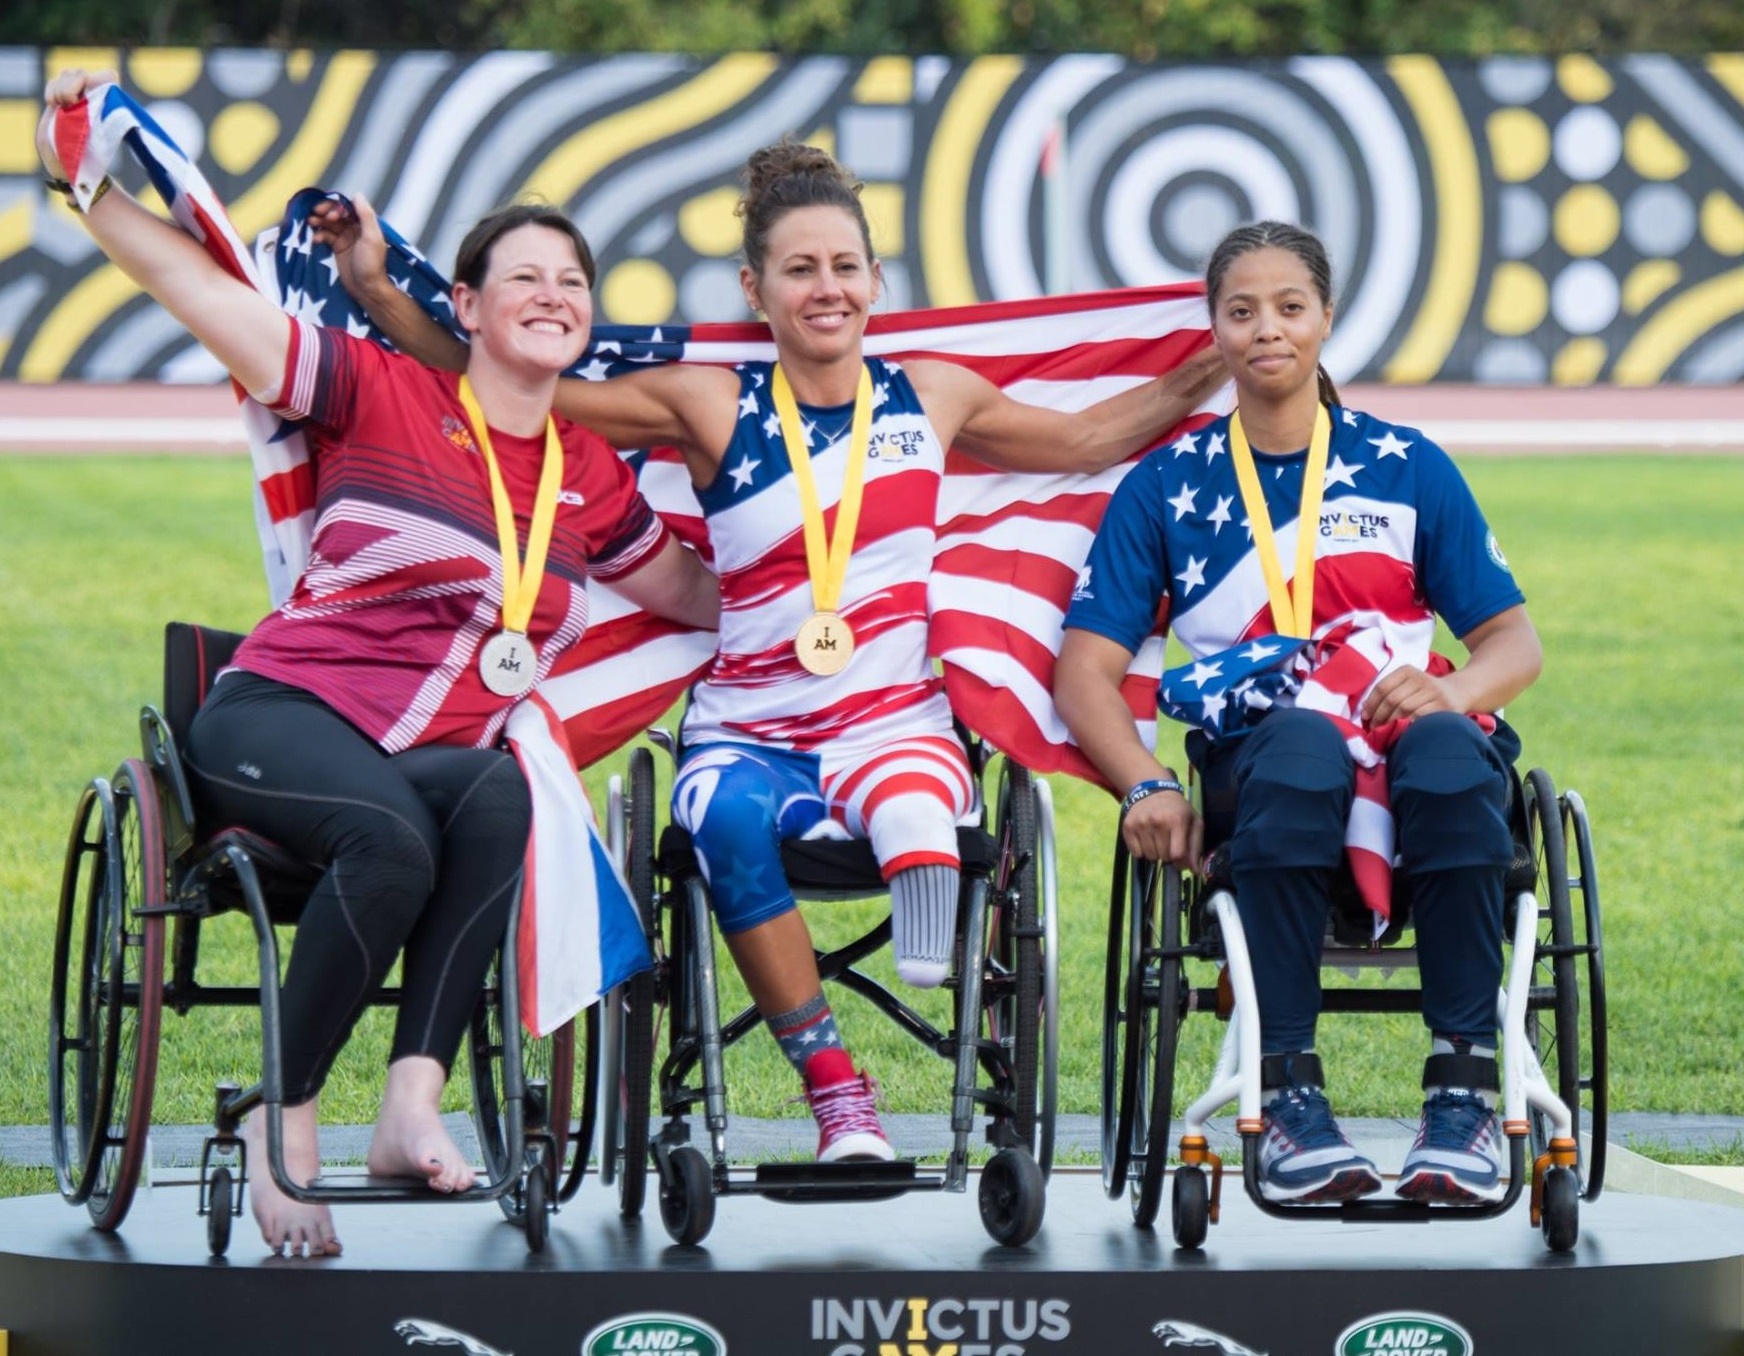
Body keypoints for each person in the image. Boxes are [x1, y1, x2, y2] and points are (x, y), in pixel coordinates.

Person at [326, 140, 1226, 1163]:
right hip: (747, 731)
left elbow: (1086, 441)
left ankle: (928, 916)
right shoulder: (710, 401)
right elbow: (505, 378)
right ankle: (839, 1094)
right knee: (717, 814)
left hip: (895, 721)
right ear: (757, 288)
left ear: (877, 281)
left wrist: (1214, 364)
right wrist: (380, 293)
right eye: (799, 270)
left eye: (845, 266)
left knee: (917, 798)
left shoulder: (932, 394)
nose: (826, 288)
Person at [38, 69, 719, 1256]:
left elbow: (696, 594)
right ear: (464, 303)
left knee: (504, 792)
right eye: (525, 278)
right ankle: (279, 1118)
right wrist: (86, 192)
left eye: (572, 282)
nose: (553, 297)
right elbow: (196, 289)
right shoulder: (381, 388)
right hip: (281, 710)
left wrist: (850, 575)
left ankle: (411, 1105)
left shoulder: (589, 475)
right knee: (393, 837)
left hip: (423, 756)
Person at [1054, 220, 1543, 1206]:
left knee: (1449, 751)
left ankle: (1464, 1097)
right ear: (1215, 331)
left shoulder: (1406, 463)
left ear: (1324, 318)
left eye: (1288, 306)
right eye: (1241, 310)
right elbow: (1083, 674)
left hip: (1412, 746)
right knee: (1301, 747)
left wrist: (1447, 690)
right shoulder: (1166, 486)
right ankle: (1285, 1097)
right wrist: (1145, 781)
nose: (1266, 328)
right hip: (1266, 767)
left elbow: (1513, 646)